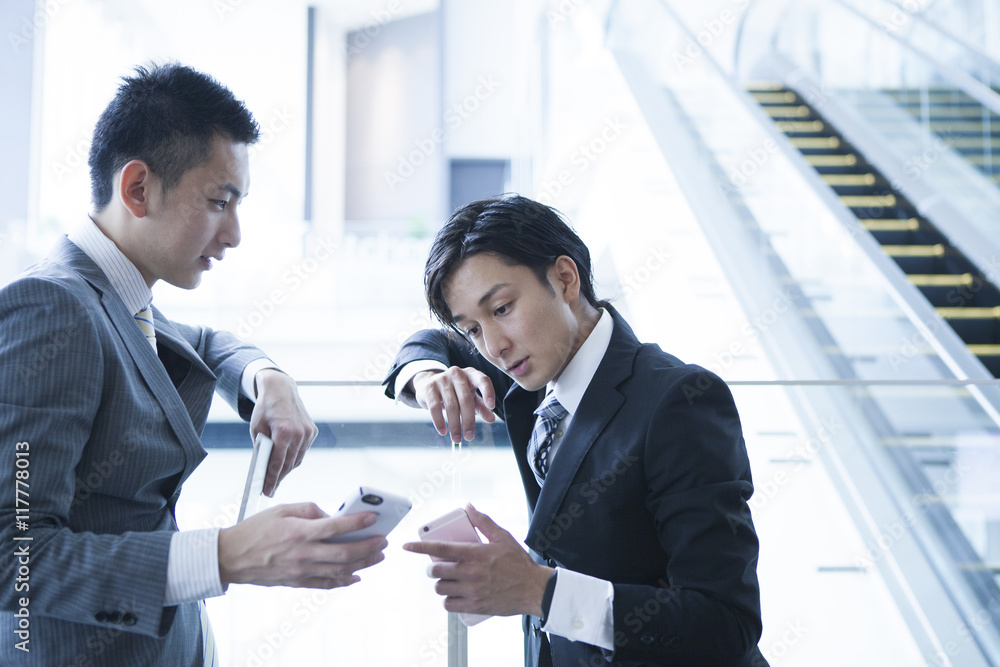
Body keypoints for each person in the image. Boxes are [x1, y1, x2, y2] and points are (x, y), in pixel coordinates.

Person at [0, 64, 386, 666]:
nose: (233, 234)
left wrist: (266, 377)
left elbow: (203, 342)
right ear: (137, 189)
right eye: (217, 202)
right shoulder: (51, 307)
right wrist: (226, 555)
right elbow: (13, 557)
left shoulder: (121, 300)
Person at [385, 195, 768, 666]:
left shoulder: (680, 401)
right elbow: (426, 343)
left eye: (502, 308)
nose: (494, 347)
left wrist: (540, 593)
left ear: (565, 279)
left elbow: (725, 622)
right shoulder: (528, 373)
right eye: (473, 330)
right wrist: (425, 376)